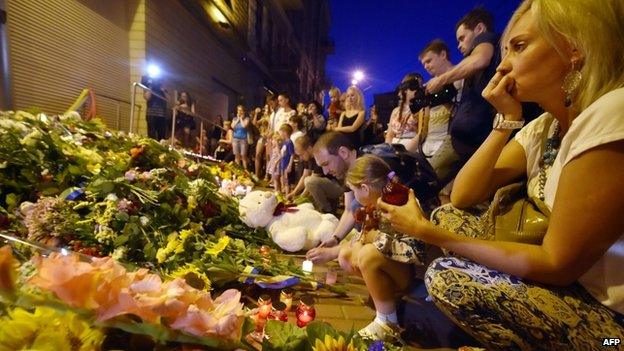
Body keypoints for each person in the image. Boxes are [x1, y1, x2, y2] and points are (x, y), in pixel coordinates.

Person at [378, 0, 624, 349]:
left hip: (609, 319)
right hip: (570, 285)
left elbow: (558, 264)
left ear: (574, 48)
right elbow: (462, 196)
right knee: (449, 215)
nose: (504, 65)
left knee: (449, 280)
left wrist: (425, 232)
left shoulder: (612, 112)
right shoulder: (547, 126)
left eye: (519, 47)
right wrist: (506, 121)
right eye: (505, 50)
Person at [338, 155, 429, 340]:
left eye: (353, 190)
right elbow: (362, 237)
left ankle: (387, 322)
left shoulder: (401, 203)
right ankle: (385, 296)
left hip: (414, 276)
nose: (354, 196)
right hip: (394, 266)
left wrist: (373, 240)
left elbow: (415, 251)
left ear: (364, 188)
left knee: (368, 255)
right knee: (346, 254)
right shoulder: (375, 203)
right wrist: (360, 243)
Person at [425, 7, 500, 162]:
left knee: (428, 178)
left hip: (475, 144)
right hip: (464, 143)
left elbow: (480, 59)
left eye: (462, 38)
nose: (458, 45)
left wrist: (441, 79)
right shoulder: (471, 64)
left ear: (479, 29)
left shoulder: (485, 39)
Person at [418, 39, 463, 195]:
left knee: (427, 179)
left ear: (443, 55)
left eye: (429, 60)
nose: (427, 66)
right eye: (424, 64)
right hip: (428, 145)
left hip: (452, 140)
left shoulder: (462, 76)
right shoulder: (429, 86)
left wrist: (447, 97)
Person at [306, 132, 359, 264]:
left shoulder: (369, 169)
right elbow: (348, 210)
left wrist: (334, 252)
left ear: (343, 152)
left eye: (326, 163)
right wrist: (335, 238)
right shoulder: (349, 171)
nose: (325, 172)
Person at [286, 135, 342, 213]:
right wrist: (293, 193)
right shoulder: (308, 157)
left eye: (301, 154)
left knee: (310, 182)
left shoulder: (318, 156)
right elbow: (305, 175)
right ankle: (326, 207)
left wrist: (300, 198)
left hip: (337, 186)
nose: (301, 158)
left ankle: (326, 210)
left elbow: (310, 182)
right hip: (327, 185)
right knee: (308, 181)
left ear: (309, 148)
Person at [385, 74, 422, 152]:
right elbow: (389, 134)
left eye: (420, 86)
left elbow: (422, 134)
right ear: (405, 89)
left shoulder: (422, 108)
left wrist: (404, 152)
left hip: (411, 148)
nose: (418, 89)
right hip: (394, 146)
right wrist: (388, 150)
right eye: (414, 86)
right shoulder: (396, 111)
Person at [231, 105, 250, 170]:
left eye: (241, 110)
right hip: (235, 139)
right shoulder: (234, 119)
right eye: (238, 110)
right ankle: (238, 171)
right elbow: (232, 126)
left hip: (243, 140)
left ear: (243, 111)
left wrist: (241, 119)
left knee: (243, 156)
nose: (239, 112)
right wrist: (238, 119)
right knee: (236, 156)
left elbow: (244, 126)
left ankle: (245, 171)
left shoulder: (246, 119)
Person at [278, 123, 295, 194]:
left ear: (285, 132)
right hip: (282, 164)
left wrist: (290, 165)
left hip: (286, 165)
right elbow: (282, 154)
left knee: (287, 181)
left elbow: (292, 154)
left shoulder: (289, 143)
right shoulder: (284, 142)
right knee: (283, 180)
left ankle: (287, 196)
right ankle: (284, 193)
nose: (280, 134)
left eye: (281, 132)